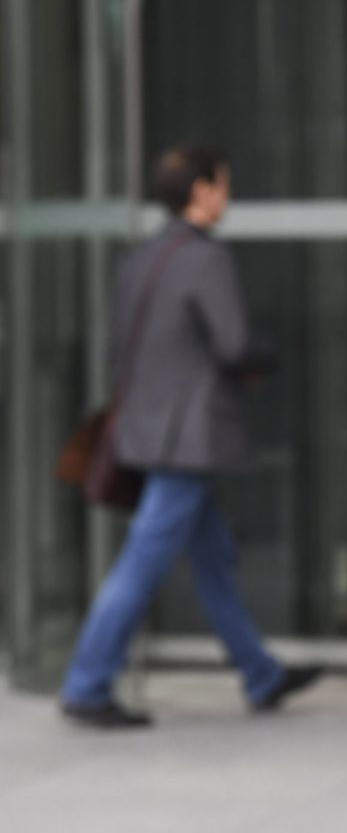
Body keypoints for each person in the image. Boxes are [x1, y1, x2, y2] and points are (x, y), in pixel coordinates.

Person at [59, 145, 321, 729]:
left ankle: (260, 675)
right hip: (189, 436)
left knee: (213, 560)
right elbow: (233, 345)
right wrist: (268, 355)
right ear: (200, 191)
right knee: (142, 561)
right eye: (222, 185)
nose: (228, 196)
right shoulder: (207, 260)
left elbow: (124, 347)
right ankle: (86, 685)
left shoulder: (140, 258)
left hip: (146, 428)